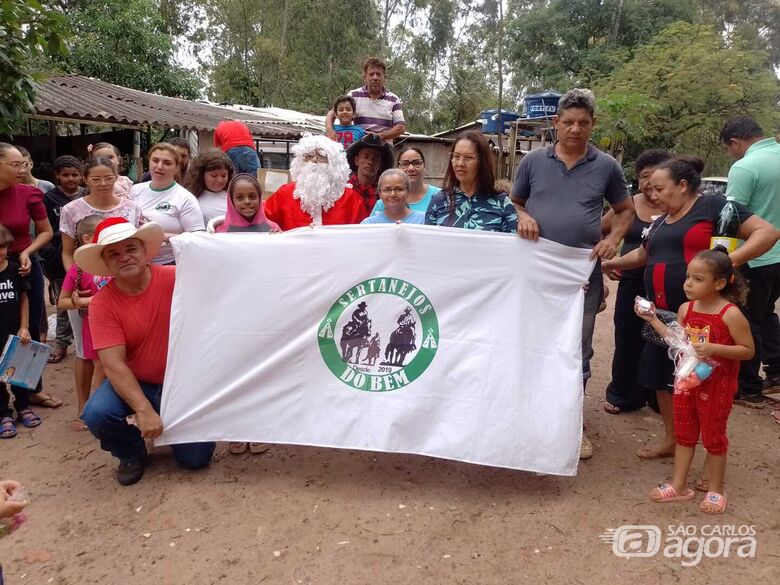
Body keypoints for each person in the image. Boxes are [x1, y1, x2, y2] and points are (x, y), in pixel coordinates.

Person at [602, 156, 779, 460]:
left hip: (701, 317)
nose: (651, 195)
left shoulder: (714, 206)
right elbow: (643, 256)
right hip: (663, 316)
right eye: (649, 189)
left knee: (700, 381)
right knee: (661, 376)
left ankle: (708, 447)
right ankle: (673, 438)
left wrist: (725, 264)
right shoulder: (660, 221)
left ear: (682, 185)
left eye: (658, 188)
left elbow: (767, 233)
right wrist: (609, 263)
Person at [511, 89, 634, 460]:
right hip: (534, 270)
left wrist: (613, 238)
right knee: (529, 340)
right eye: (568, 122)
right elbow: (515, 201)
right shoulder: (532, 162)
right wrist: (524, 216)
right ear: (555, 124)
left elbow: (625, 210)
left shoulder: (607, 166)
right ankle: (527, 416)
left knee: (576, 349)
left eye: (583, 123)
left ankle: (571, 424)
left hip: (581, 274)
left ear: (592, 125)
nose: (575, 129)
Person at [76, 218, 215, 485]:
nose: (124, 257)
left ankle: (170, 425)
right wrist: (143, 410)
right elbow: (113, 365)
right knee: (97, 414)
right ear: (106, 263)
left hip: (184, 381)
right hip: (136, 380)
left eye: (131, 249)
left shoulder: (178, 278)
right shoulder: (102, 305)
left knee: (196, 459)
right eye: (113, 254)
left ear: (144, 251)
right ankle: (131, 452)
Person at [638, 247, 753, 514]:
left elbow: (748, 350)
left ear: (720, 283)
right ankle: (679, 485)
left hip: (718, 386)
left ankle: (715, 490)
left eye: (698, 279)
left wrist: (716, 349)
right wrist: (652, 318)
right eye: (688, 277)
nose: (688, 283)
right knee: (685, 433)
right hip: (686, 381)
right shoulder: (685, 309)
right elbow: (677, 340)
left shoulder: (730, 314)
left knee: (713, 437)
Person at [603, 149, 672, 414]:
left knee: (662, 342)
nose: (650, 184)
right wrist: (607, 260)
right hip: (632, 282)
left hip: (665, 286)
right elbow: (601, 230)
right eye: (645, 176)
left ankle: (657, 399)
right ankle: (623, 394)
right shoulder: (628, 204)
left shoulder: (678, 206)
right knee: (627, 339)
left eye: (656, 177)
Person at [720, 116, 780, 408]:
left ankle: (749, 388)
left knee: (746, 321)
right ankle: (777, 372)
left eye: (729, 148)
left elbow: (731, 217)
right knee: (767, 313)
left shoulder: (745, 166)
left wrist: (721, 259)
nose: (731, 154)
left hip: (755, 258)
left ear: (735, 141)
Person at [0, 143, 59, 410]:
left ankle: (30, 390)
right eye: (15, 165)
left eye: (23, 164)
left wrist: (28, 252)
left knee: (30, 329)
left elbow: (46, 231)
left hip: (25, 264)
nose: (22, 170)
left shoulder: (29, 193)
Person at [58, 215, 105, 431]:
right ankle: (92, 413)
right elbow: (63, 301)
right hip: (94, 326)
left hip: (122, 324)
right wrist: (85, 301)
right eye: (101, 232)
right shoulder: (79, 268)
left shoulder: (113, 258)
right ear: (87, 238)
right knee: (102, 369)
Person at [264, 135, 368, 230]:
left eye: (321, 156)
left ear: (334, 163)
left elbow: (362, 236)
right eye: (308, 156)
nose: (314, 160)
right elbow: (261, 222)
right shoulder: (284, 194)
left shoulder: (352, 199)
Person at [60, 156, 144, 272]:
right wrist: (75, 282)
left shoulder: (131, 208)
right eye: (96, 179)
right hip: (88, 276)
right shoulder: (71, 209)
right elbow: (67, 253)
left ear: (116, 177)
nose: (103, 183)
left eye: (109, 178)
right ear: (85, 179)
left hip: (126, 272)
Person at [41, 155, 86, 364]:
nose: (70, 179)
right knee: (64, 303)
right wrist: (50, 253)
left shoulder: (87, 195)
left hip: (88, 256)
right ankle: (61, 344)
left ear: (82, 176)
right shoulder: (50, 198)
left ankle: (86, 344)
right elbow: (44, 228)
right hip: (61, 261)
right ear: (57, 176)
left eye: (75, 174)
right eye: (65, 175)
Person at [427, 131, 517, 233]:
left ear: (482, 162)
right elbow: (427, 243)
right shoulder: (438, 201)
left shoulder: (503, 204)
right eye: (456, 156)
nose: (460, 163)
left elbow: (512, 247)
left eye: (468, 158)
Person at [130, 143, 205, 264]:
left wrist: (163, 236)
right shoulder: (134, 190)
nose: (159, 166)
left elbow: (198, 239)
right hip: (135, 262)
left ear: (177, 168)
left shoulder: (185, 198)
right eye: (155, 160)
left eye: (167, 163)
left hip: (168, 263)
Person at [0, 224, 40, 437]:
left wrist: (24, 326)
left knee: (19, 372)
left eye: (2, 248)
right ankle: (3, 413)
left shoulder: (15, 269)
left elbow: (24, 299)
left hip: (15, 332)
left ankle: (23, 406)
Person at [325, 57, 406, 143]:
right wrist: (330, 130)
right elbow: (332, 113)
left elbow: (400, 127)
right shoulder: (353, 95)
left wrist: (378, 136)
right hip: (359, 149)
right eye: (371, 74)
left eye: (378, 74)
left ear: (384, 78)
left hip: (384, 148)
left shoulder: (394, 99)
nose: (375, 77)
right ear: (365, 77)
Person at [372, 147, 439, 217]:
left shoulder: (440, 197)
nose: (411, 168)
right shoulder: (385, 202)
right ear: (398, 169)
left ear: (424, 167)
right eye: (405, 164)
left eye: (416, 163)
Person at [211, 174, 280, 233]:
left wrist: (278, 239)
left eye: (252, 197)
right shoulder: (221, 232)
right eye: (239, 198)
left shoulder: (273, 228)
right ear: (231, 201)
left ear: (259, 198)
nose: (247, 201)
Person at [184, 149, 235, 225]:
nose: (220, 180)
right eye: (213, 175)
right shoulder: (190, 196)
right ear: (201, 175)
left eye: (224, 175)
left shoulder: (234, 194)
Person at [346, 134, 394, 214]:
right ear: (356, 160)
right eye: (366, 157)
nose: (370, 162)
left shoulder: (387, 192)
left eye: (375, 158)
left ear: (380, 165)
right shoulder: (343, 189)